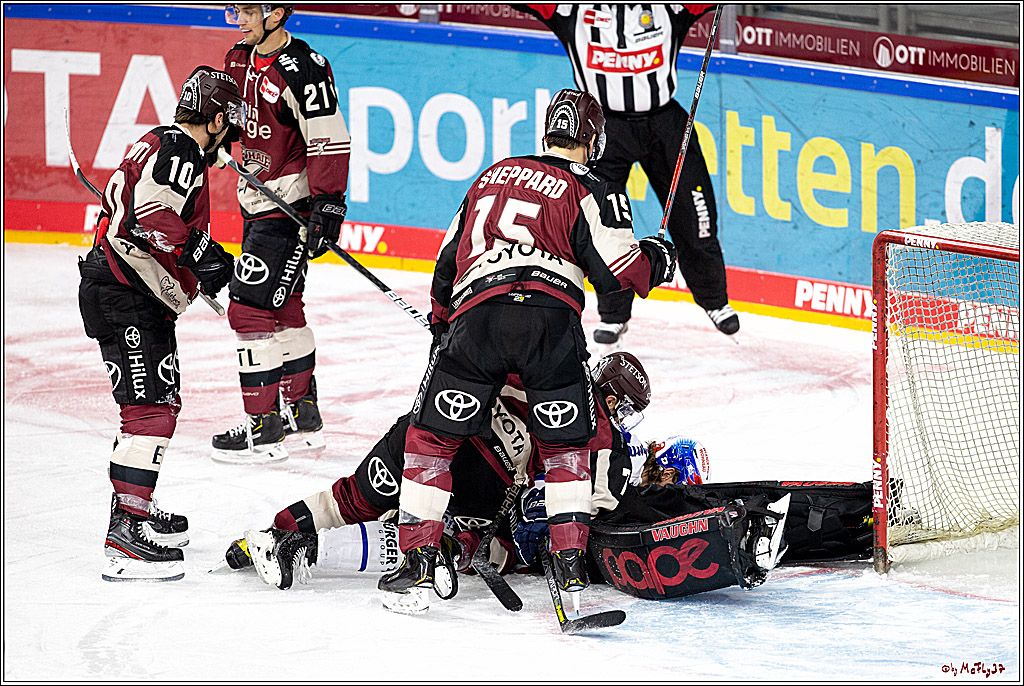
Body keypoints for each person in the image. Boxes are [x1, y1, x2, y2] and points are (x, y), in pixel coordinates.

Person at [377, 88, 679, 611]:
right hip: (550, 323)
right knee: (566, 450)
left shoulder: (490, 176)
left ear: (548, 132)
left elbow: (447, 261)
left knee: (430, 439)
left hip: (478, 316)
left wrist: (443, 324)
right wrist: (659, 258)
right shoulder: (593, 186)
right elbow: (621, 276)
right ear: (593, 139)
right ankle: (570, 574)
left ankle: (418, 566)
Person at [78, 66, 242, 581]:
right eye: (228, 128)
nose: (229, 140)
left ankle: (134, 509)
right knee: (149, 412)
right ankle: (126, 533)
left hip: (129, 294)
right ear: (215, 120)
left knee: (157, 405)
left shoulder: (155, 142)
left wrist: (197, 269)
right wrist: (206, 254)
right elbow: (152, 215)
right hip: (125, 297)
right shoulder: (181, 151)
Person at [517, 4, 740, 346]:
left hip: (665, 124)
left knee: (696, 215)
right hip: (602, 131)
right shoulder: (569, 10)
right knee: (606, 224)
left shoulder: (670, 8)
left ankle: (714, 299)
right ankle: (613, 315)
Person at [214, 4, 352, 463]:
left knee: (248, 307)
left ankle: (264, 427)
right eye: (235, 9)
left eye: (249, 11)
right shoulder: (237, 59)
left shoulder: (306, 70)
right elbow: (232, 125)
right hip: (255, 202)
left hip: (287, 207)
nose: (239, 19)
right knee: (285, 306)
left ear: (277, 13)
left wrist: (328, 204)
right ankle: (302, 415)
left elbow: (329, 137)